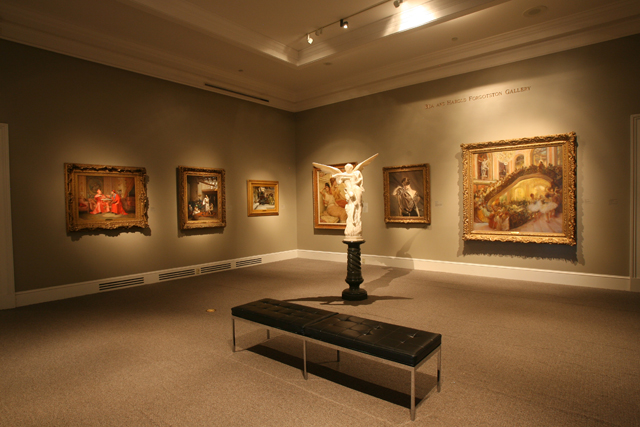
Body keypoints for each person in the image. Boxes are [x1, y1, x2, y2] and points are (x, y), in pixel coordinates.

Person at [313, 153, 378, 240]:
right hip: (347, 195)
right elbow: (339, 183)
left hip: (353, 193)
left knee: (355, 206)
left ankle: (355, 221)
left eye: (349, 168)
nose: (347, 170)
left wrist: (339, 176)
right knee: (349, 209)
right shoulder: (336, 185)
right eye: (346, 168)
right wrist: (339, 177)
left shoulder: (355, 173)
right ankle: (351, 223)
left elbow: (341, 193)